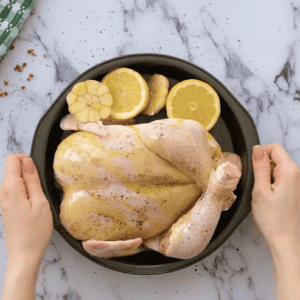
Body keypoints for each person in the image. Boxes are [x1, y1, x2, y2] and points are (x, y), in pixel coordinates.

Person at [0, 144, 299, 299]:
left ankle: (217, 189)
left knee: (179, 244)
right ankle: (217, 189)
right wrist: (286, 242)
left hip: (156, 218)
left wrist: (24, 258)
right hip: (164, 225)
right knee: (181, 246)